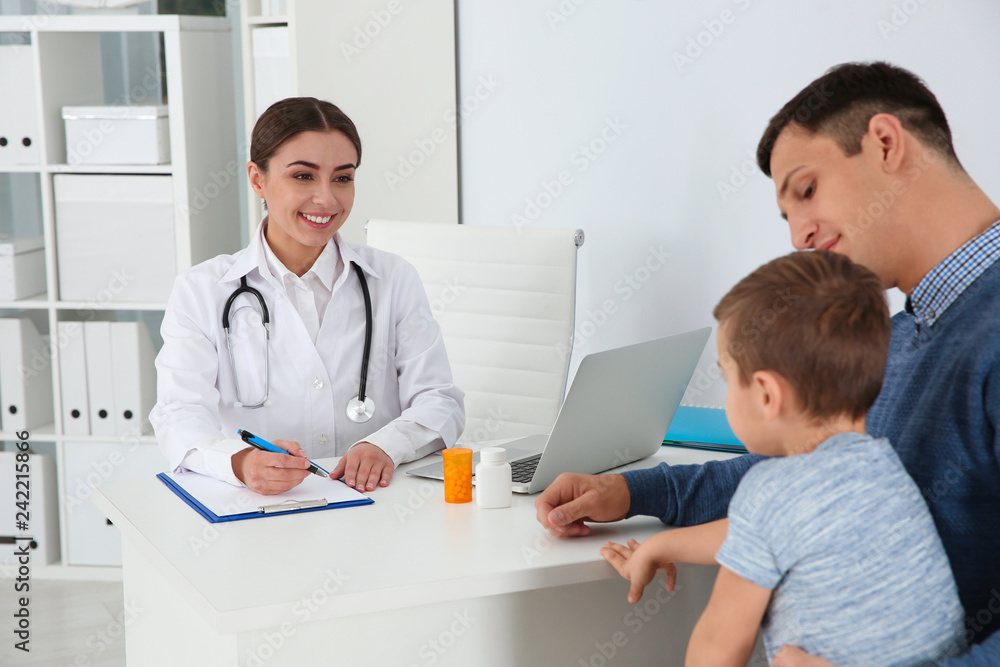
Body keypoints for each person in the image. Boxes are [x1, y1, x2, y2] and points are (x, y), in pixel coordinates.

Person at [535, 61, 1000, 664]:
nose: (799, 236)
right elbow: (801, 480)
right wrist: (631, 491)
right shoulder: (902, 334)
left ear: (886, 144)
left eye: (806, 191)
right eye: (786, 216)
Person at [601, 251, 965, 666]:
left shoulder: (770, 490)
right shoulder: (884, 464)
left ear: (766, 395)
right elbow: (774, 531)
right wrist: (663, 546)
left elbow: (719, 644)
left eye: (727, 377)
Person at [151, 97, 465, 495]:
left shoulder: (393, 279)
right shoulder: (201, 291)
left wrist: (386, 445)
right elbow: (179, 414)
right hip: (260, 509)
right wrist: (240, 462)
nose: (326, 199)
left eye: (342, 178)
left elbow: (440, 401)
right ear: (257, 179)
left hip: (377, 502)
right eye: (303, 176)